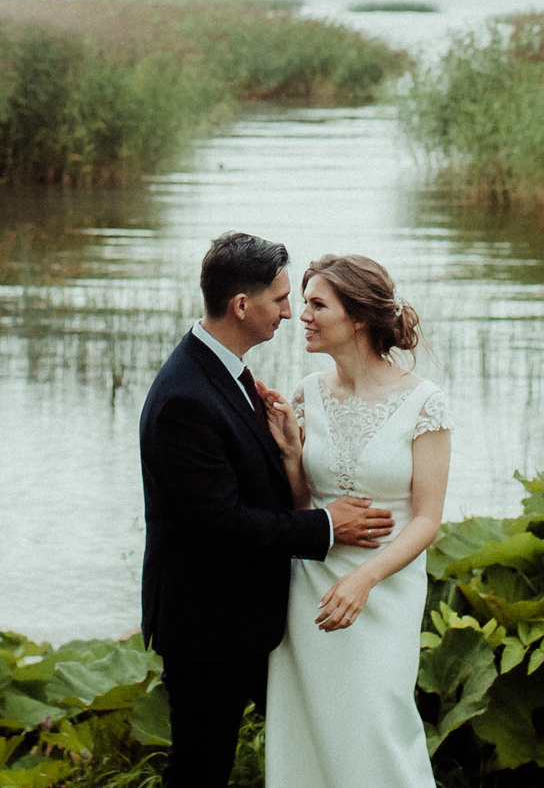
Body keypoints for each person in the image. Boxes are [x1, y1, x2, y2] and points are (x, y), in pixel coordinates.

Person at [138, 232, 395, 788]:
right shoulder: (186, 396)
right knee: (200, 767)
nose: (289, 312)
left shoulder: (226, 374)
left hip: (243, 615)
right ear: (241, 305)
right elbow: (221, 525)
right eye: (280, 299)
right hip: (207, 620)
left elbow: (244, 492)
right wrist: (327, 525)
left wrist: (289, 454)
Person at [262, 253, 451, 788]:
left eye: (318, 305)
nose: (303, 315)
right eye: (303, 304)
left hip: (383, 590)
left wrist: (365, 579)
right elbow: (303, 511)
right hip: (312, 591)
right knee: (308, 731)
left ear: (359, 318)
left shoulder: (424, 403)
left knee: (379, 730)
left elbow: (427, 519)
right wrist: (295, 458)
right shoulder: (306, 392)